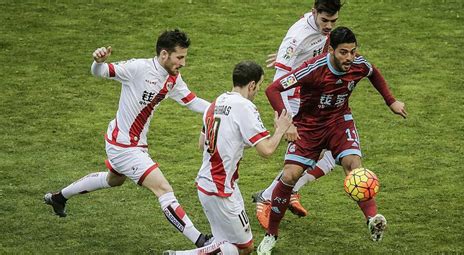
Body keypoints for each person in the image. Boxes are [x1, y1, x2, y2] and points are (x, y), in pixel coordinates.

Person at [44, 29, 213, 248]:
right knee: (163, 189)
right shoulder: (138, 68)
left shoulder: (172, 78)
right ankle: (201, 241)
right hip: (124, 146)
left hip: (130, 142)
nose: (183, 62)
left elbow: (191, 101)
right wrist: (97, 61)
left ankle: (58, 198)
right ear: (164, 55)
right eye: (179, 57)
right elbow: (100, 72)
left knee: (112, 180)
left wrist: (220, 108)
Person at [256, 27, 408, 254]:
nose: (349, 58)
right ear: (331, 50)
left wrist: (391, 101)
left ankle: (372, 219)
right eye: (343, 52)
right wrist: (287, 122)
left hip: (339, 122)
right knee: (289, 176)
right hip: (309, 127)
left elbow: (373, 72)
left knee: (354, 166)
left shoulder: (359, 64)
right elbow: (273, 89)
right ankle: (271, 235)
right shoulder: (313, 68)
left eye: (353, 52)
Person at [163, 61, 292, 255]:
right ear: (252, 85)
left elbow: (201, 143)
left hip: (206, 185)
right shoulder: (245, 107)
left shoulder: (215, 103)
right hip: (221, 190)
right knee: (244, 247)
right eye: (259, 85)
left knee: (222, 243)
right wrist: (280, 130)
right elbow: (266, 151)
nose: (258, 90)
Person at [253, 0, 342, 227]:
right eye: (325, 20)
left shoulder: (322, 30)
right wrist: (286, 122)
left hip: (308, 96)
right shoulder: (297, 37)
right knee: (314, 152)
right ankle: (267, 197)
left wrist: (292, 59)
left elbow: (322, 47)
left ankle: (288, 191)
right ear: (314, 13)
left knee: (331, 153)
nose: (329, 26)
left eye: (334, 21)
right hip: (292, 101)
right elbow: (275, 85)